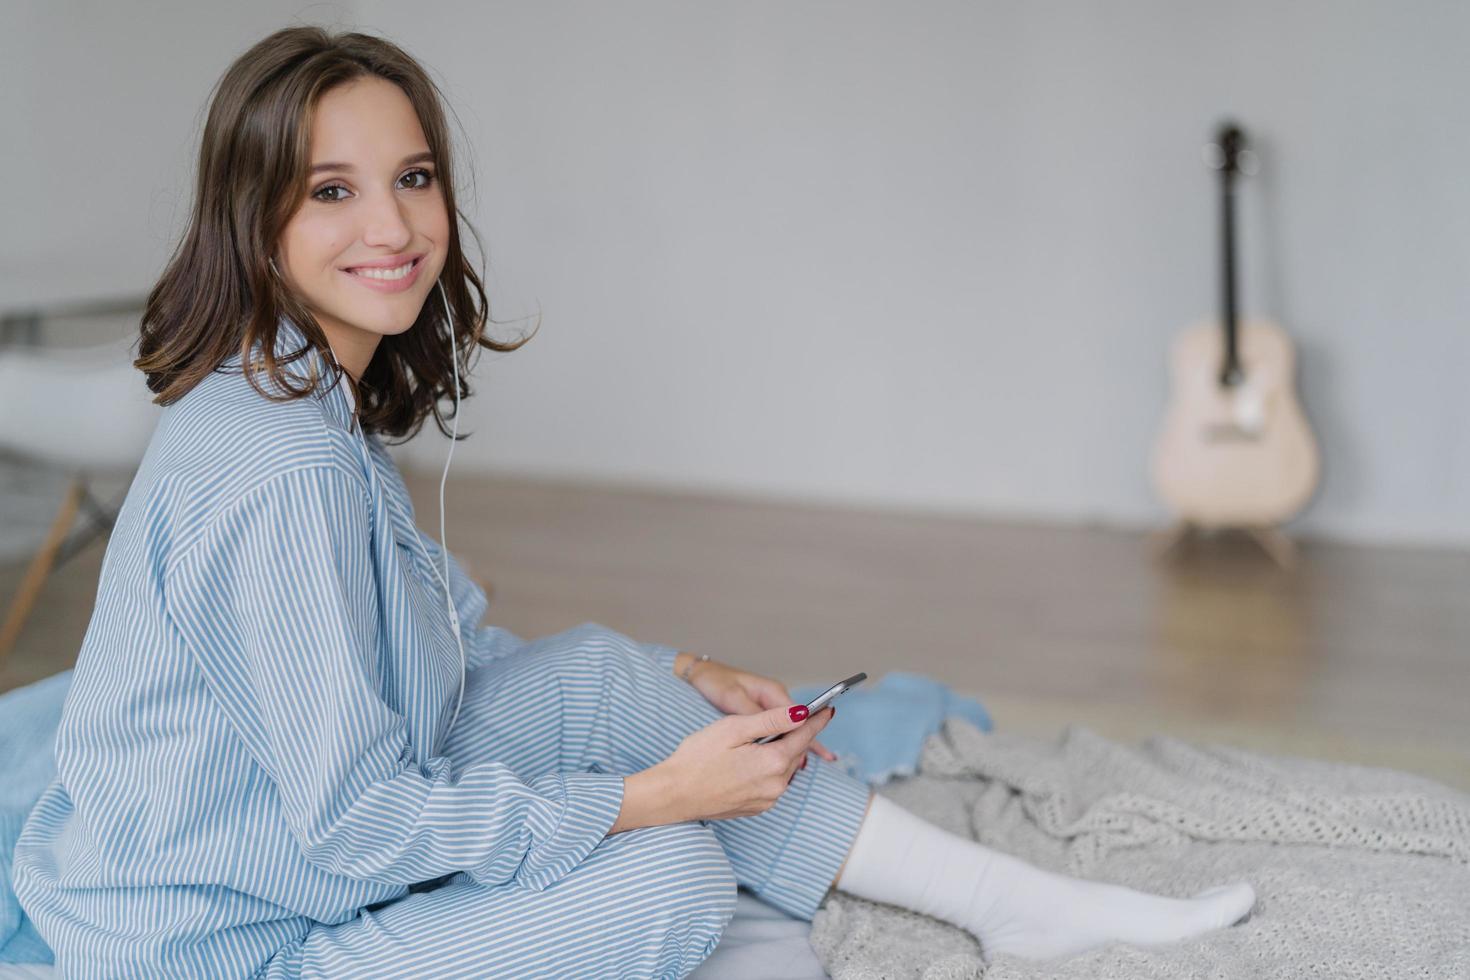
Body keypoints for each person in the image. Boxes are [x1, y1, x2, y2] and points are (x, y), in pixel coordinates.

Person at [11, 25, 1255, 980]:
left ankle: (1006, 901)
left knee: (606, 676)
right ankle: (922, 882)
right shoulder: (280, 469)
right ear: (256, 209)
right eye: (331, 190)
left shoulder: (288, 397)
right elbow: (355, 822)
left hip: (270, 846)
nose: (392, 226)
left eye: (415, 176)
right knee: (666, 879)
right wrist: (658, 794)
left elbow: (396, 670)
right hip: (226, 940)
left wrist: (678, 673)